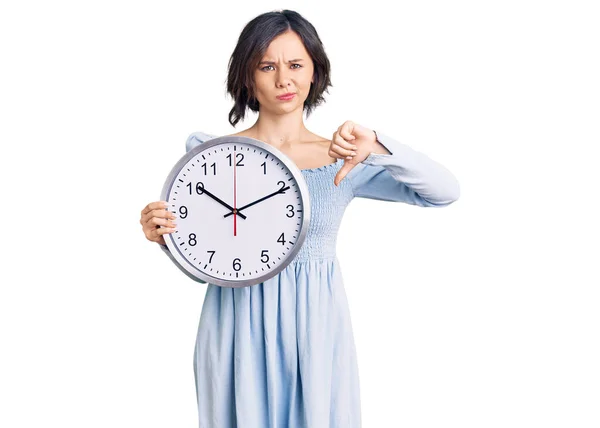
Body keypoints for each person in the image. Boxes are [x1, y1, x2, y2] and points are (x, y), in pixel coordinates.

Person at [139, 9, 460, 428]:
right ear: (248, 76)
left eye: (295, 65)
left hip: (317, 328)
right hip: (236, 324)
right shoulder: (212, 157)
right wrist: (165, 239)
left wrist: (379, 143)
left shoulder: (342, 159)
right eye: (266, 66)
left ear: (314, 73)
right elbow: (206, 271)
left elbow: (444, 192)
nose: (282, 79)